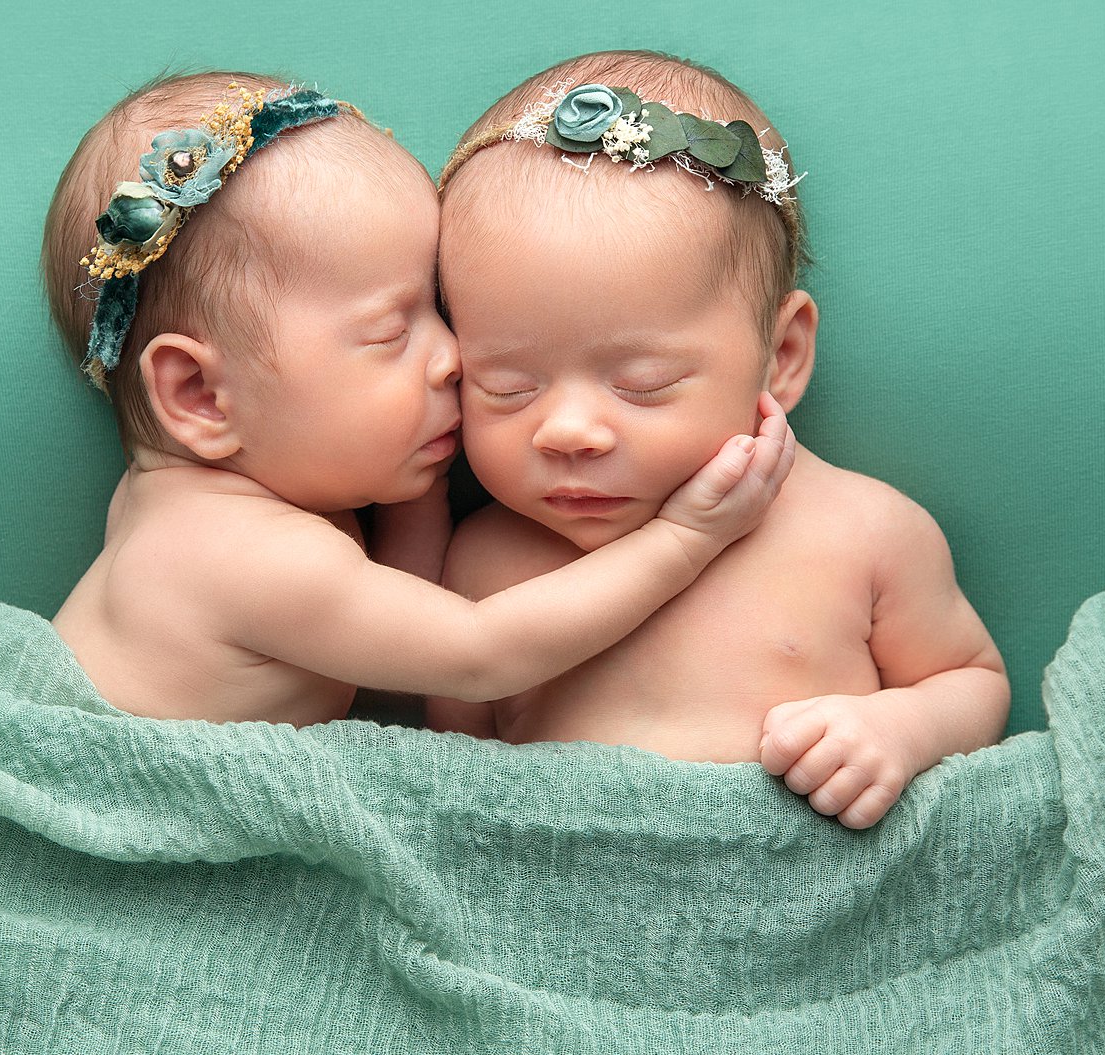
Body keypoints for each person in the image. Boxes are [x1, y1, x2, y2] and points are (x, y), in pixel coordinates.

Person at [37, 70, 793, 727]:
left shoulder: (172, 503)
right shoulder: (242, 556)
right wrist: (686, 538)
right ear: (201, 394)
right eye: (393, 330)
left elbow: (393, 603)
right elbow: (478, 653)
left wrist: (416, 479)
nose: (452, 357)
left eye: (442, 310)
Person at [428, 50, 1009, 829]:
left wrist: (900, 731)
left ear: (783, 356)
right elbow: (439, 784)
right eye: (506, 388)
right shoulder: (483, 564)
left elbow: (972, 679)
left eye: (640, 384)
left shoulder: (864, 531)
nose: (567, 430)